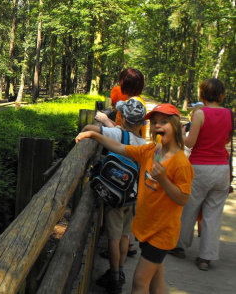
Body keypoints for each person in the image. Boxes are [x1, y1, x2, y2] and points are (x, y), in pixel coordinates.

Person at [76, 103, 194, 294]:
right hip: (146, 228)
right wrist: (94, 135)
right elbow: (120, 148)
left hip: (161, 233)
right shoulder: (149, 151)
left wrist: (163, 179)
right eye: (154, 122)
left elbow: (183, 199)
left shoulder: (181, 163)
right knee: (156, 279)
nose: (158, 126)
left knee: (139, 282)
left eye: (164, 122)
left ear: (176, 125)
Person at [84, 99, 147, 294]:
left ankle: (114, 276)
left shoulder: (117, 134)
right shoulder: (144, 143)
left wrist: (102, 125)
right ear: (143, 123)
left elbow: (88, 127)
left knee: (113, 237)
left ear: (124, 118)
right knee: (124, 236)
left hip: (114, 198)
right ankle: (120, 271)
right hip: (132, 198)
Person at [169, 79, 232, 271]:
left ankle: (179, 246)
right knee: (213, 214)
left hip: (200, 167)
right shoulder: (229, 114)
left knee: (189, 207)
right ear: (222, 95)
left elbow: (190, 143)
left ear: (202, 94)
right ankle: (206, 257)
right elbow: (227, 139)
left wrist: (181, 132)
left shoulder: (200, 114)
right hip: (222, 168)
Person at [109, 69, 148, 139]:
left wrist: (105, 121)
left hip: (128, 148)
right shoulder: (138, 102)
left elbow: (125, 134)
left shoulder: (131, 106)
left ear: (123, 83)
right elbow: (121, 126)